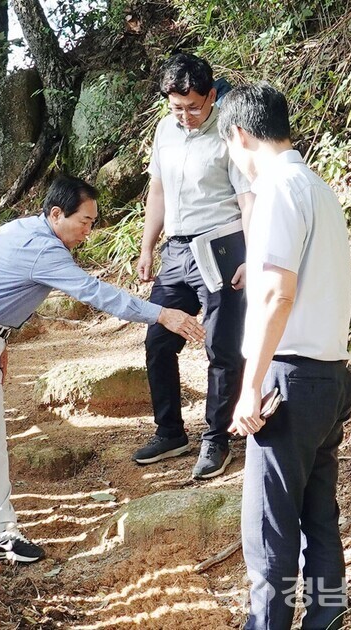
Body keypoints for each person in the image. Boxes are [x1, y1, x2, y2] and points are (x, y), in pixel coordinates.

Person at [0, 175, 206, 571]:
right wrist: (162, 313)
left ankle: (0, 532)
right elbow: (98, 294)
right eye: (85, 221)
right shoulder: (45, 250)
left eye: (93, 223)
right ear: (57, 214)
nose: (88, 231)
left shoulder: (24, 227)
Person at [218, 83, 351, 630]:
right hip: (330, 375)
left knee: (270, 529)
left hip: (288, 379)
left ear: (240, 134)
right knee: (319, 518)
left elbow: (278, 294)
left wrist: (251, 386)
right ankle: (326, 619)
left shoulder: (275, 188)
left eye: (229, 147)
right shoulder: (318, 187)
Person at [132, 53, 254, 480]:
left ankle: (216, 438)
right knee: (158, 340)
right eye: (177, 107)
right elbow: (158, 192)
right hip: (176, 251)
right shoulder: (166, 130)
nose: (185, 116)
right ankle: (170, 432)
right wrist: (148, 246)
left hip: (222, 246)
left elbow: (246, 198)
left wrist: (252, 255)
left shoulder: (230, 133)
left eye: (194, 107)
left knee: (221, 347)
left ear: (212, 95)